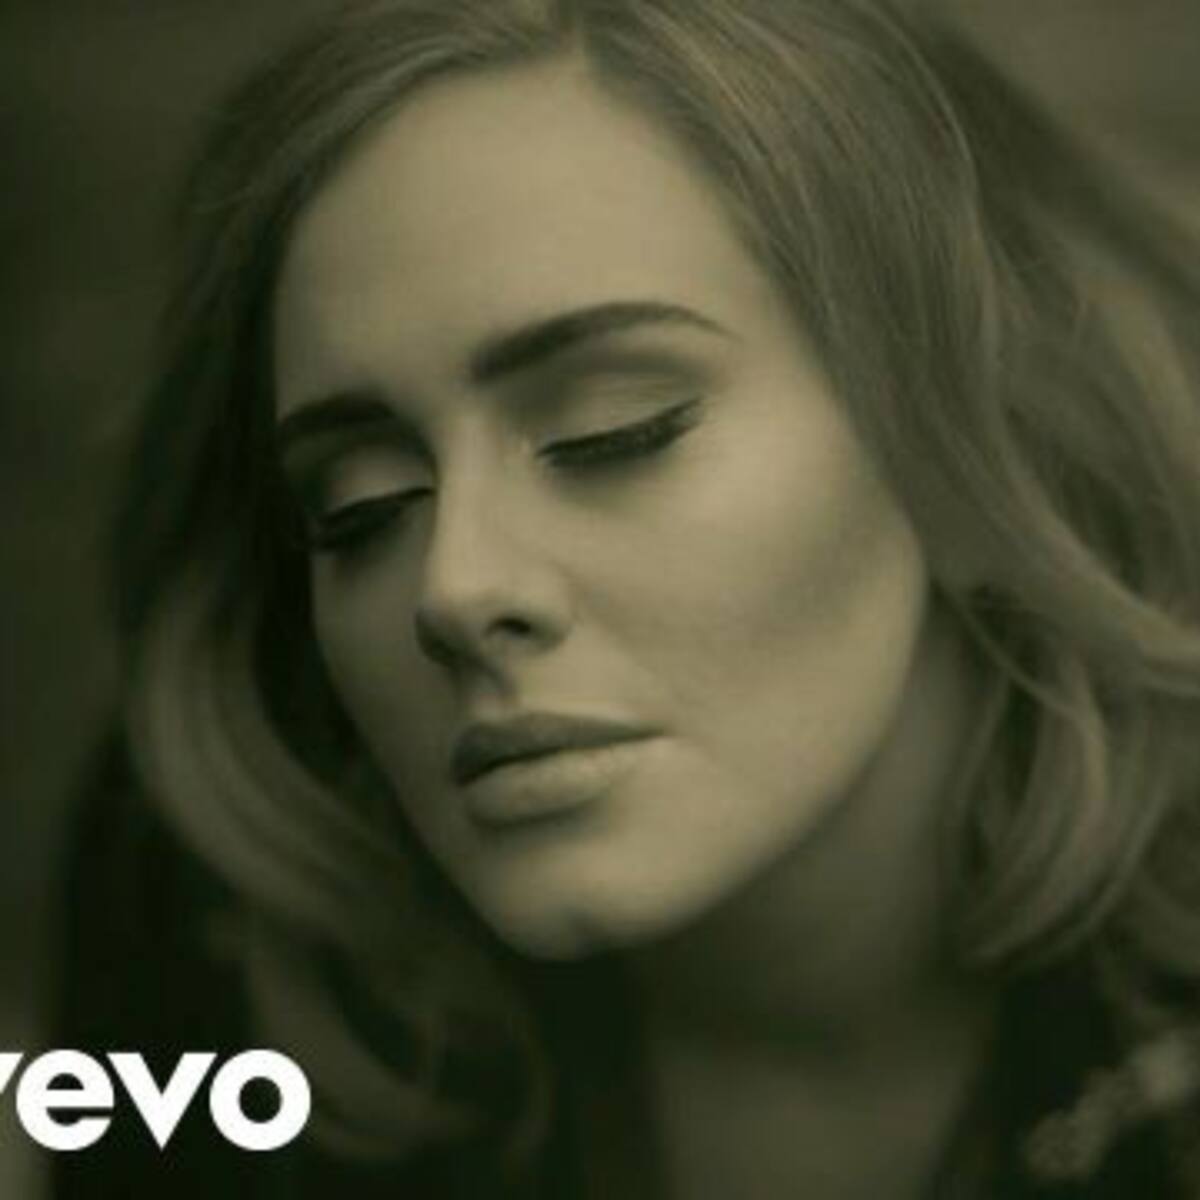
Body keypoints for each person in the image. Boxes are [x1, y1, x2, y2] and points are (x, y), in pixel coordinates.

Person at [100, 0, 1200, 1195]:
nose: (455, 589)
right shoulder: (216, 950)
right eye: (360, 508)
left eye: (612, 430)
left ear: (979, 454)